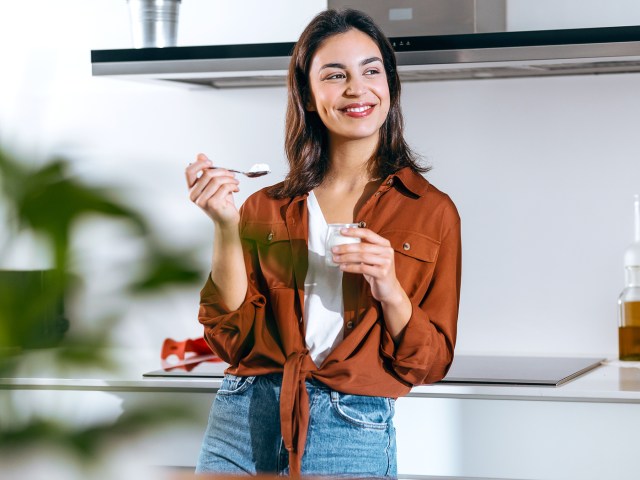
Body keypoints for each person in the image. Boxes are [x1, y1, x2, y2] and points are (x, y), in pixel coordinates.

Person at [185, 8, 461, 478]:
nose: (357, 88)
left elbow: (430, 362)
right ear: (310, 97)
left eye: (371, 71)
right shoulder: (265, 206)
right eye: (335, 75)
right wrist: (225, 227)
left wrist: (389, 286)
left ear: (390, 88)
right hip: (242, 418)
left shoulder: (430, 211)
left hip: (351, 426)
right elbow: (231, 339)